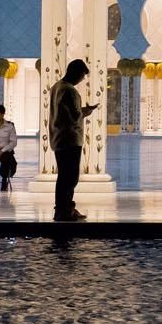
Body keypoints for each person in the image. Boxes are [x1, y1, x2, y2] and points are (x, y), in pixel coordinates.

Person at [49, 59, 97, 222]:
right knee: (70, 176)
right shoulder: (69, 90)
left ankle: (65, 208)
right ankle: (64, 211)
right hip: (69, 138)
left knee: (64, 175)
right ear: (75, 73)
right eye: (82, 75)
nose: (82, 79)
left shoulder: (57, 87)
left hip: (59, 137)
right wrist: (86, 111)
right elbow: (73, 116)